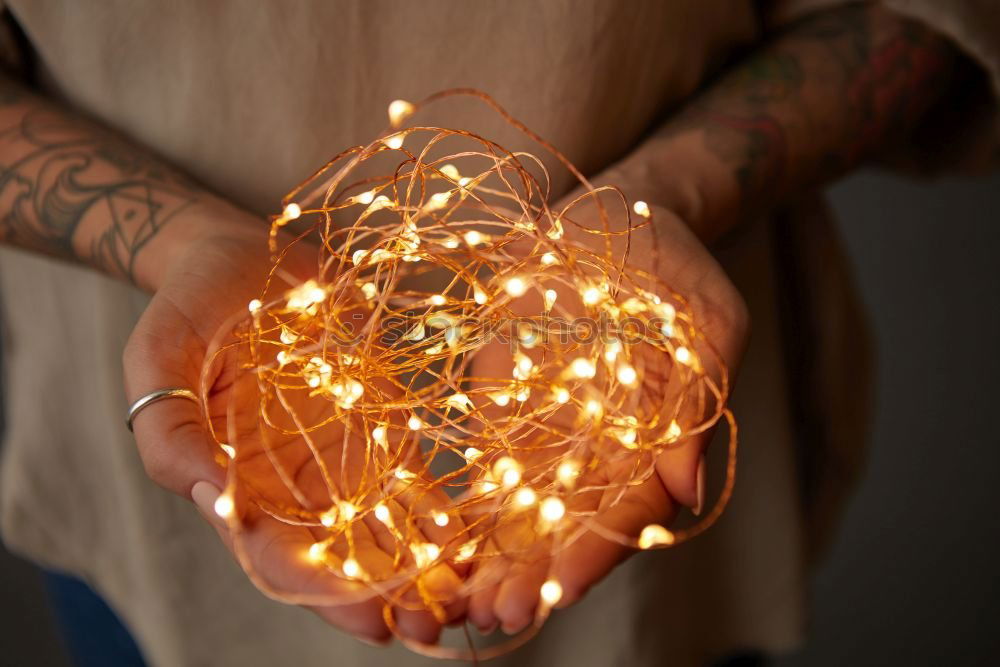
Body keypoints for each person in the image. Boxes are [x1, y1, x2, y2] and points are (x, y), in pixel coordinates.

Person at [0, 2, 996, 665]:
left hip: (672, 564)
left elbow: (919, 15)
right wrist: (175, 244)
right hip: (151, 545)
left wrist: (668, 192)